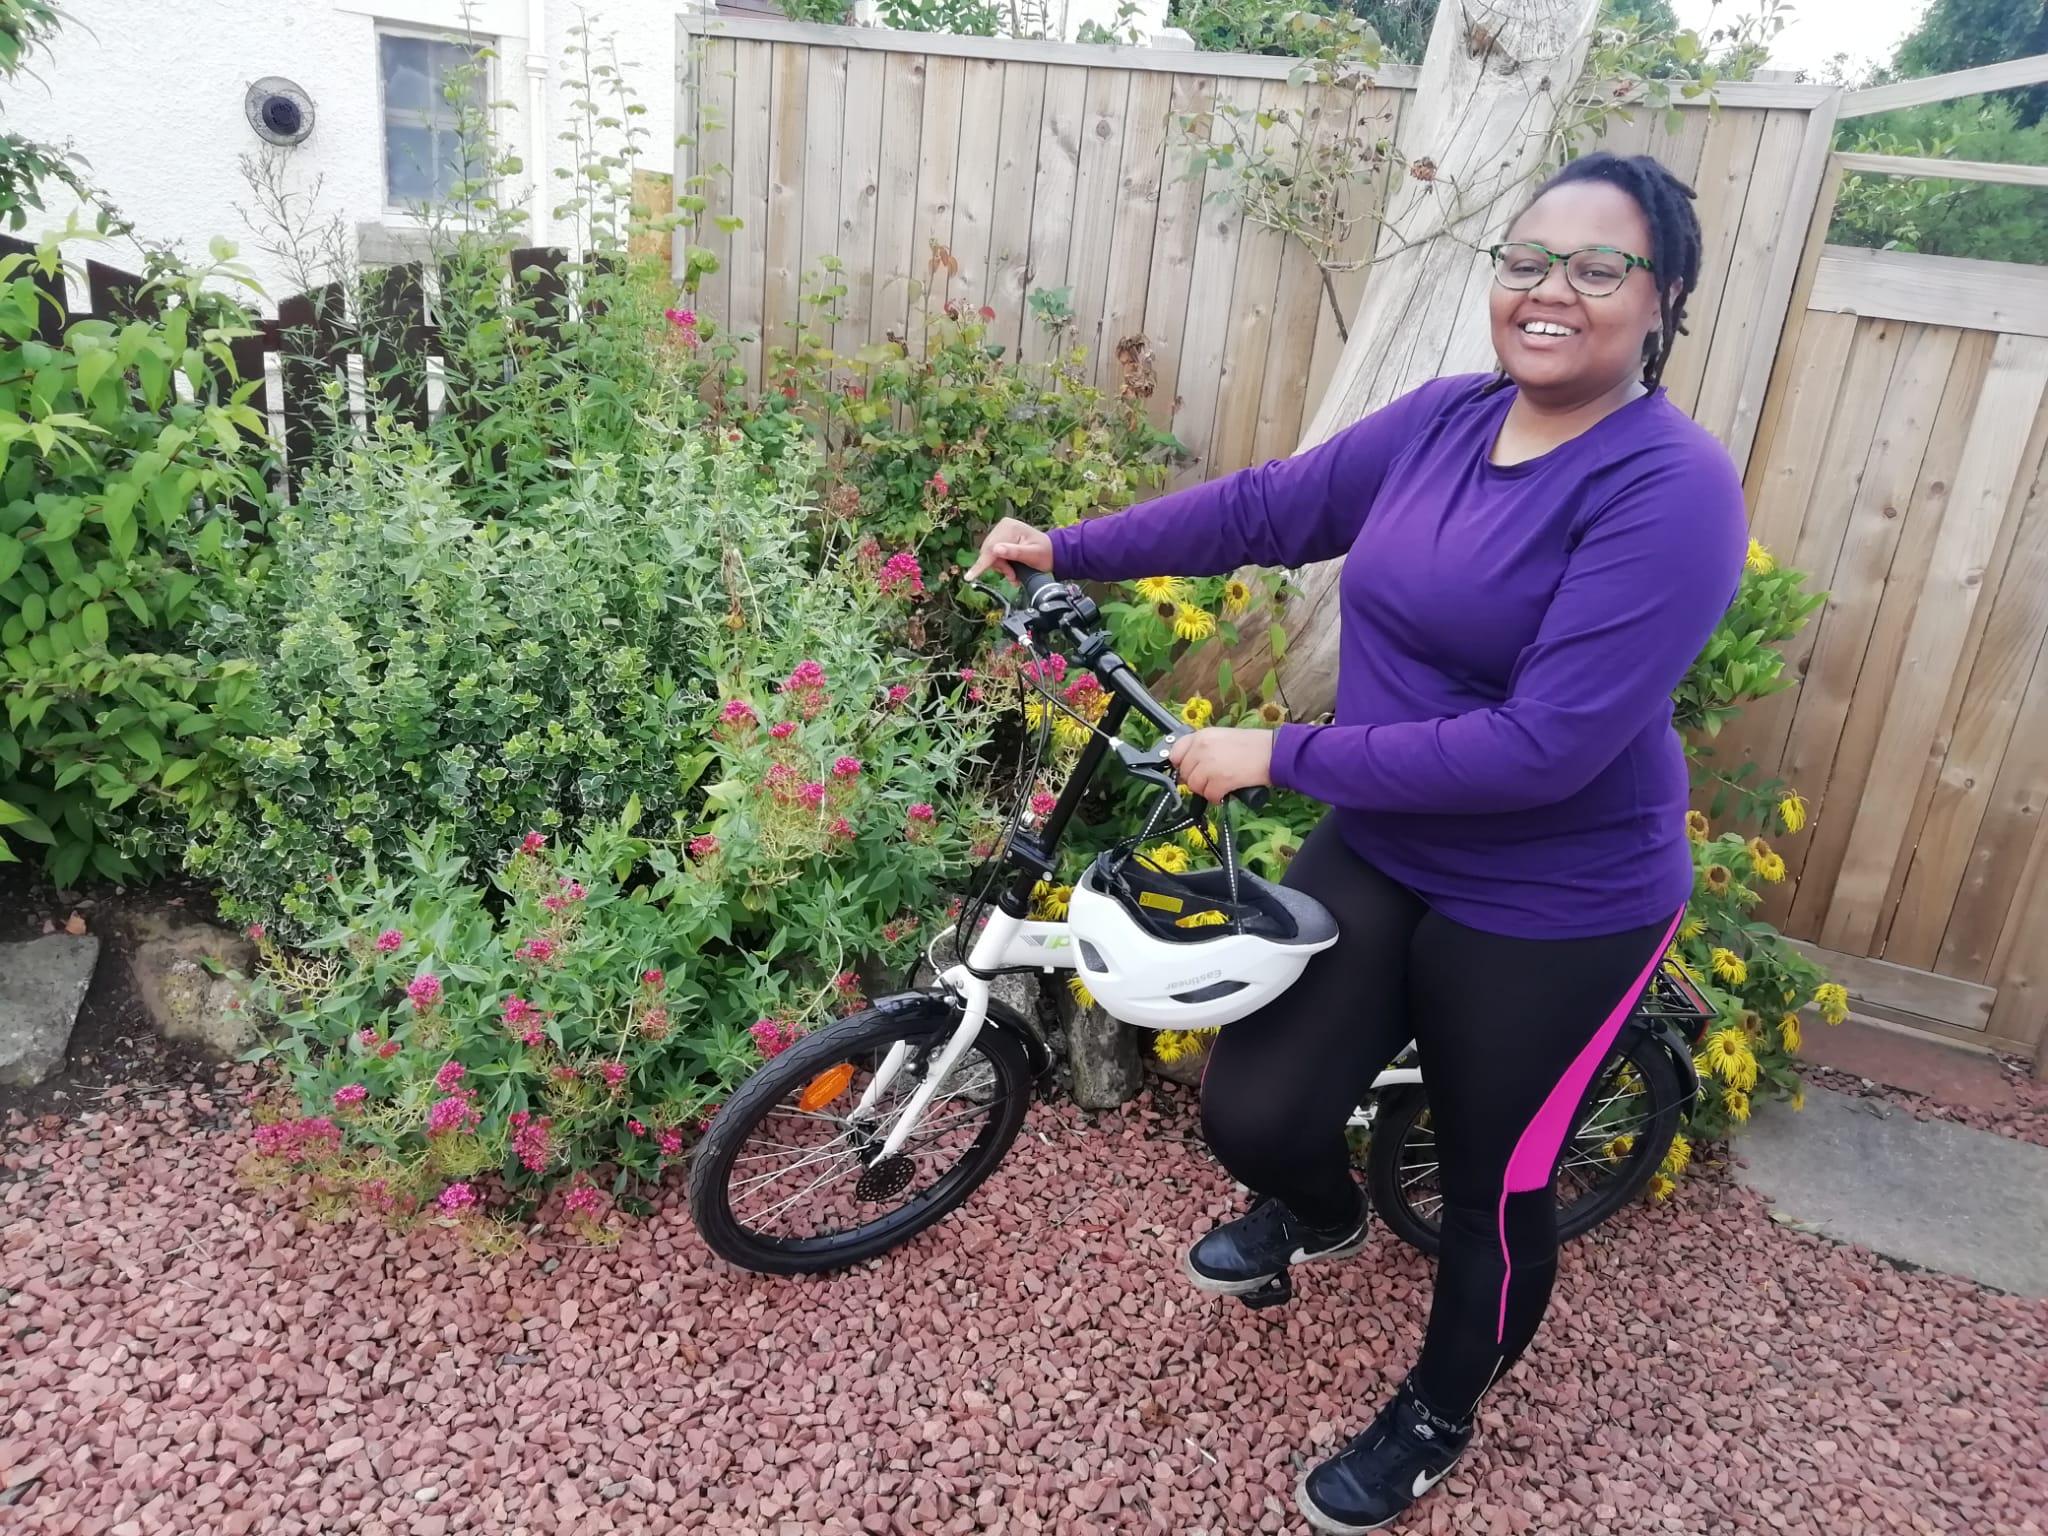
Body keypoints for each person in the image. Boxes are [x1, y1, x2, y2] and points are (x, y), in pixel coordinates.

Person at [964, 151, 1746, 1533]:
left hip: (1562, 895)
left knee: (1498, 1177)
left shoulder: (1670, 490)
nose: (1549, 289)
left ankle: (1438, 1410)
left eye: (1597, 266)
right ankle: (1319, 1212)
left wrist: (1280, 753)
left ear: (1663, 299)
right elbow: (1270, 507)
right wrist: (1071, 547)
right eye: (1525, 260)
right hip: (1393, 837)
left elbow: (1544, 746)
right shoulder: (1448, 420)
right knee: (1253, 1109)